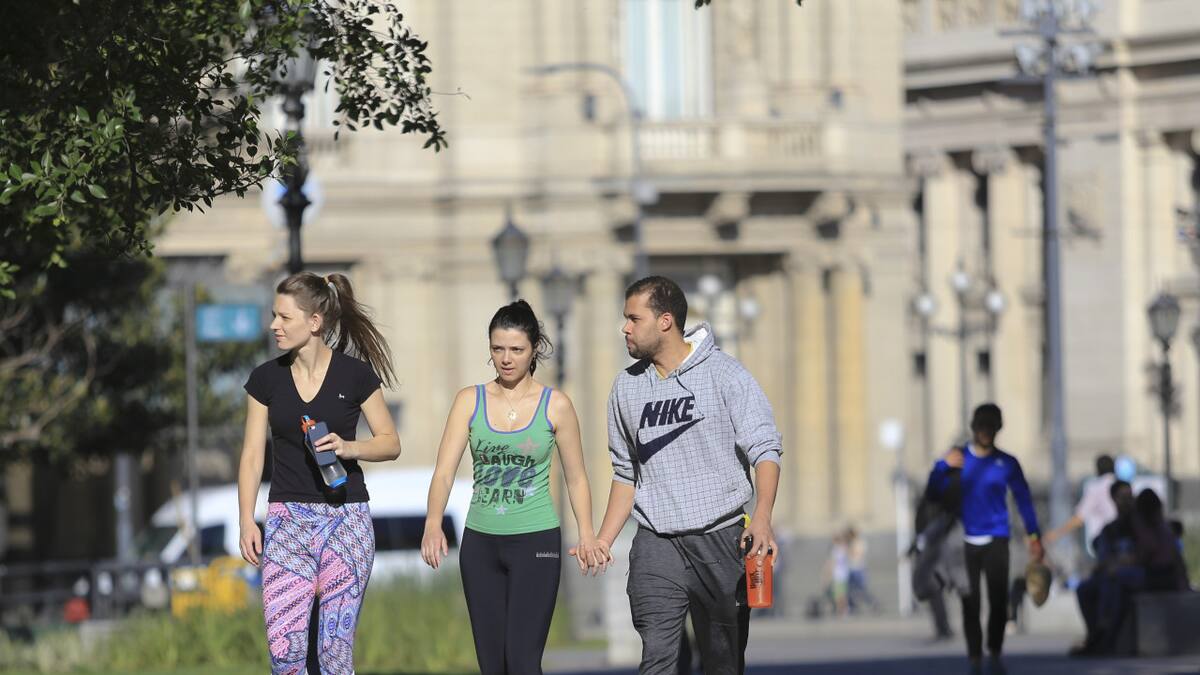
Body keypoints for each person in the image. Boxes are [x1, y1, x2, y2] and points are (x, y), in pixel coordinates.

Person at [588, 276, 784, 675]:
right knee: (658, 657)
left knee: (722, 663)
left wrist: (762, 517)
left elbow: (765, 449)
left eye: (633, 318)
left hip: (721, 536)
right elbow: (626, 472)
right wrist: (603, 539)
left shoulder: (726, 374)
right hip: (657, 542)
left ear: (664, 321)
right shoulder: (626, 388)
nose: (625, 327)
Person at [420, 300, 609, 675]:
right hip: (480, 543)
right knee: (493, 665)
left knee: (522, 661)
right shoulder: (468, 401)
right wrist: (432, 523)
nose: (506, 359)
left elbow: (576, 477)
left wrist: (587, 533)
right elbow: (443, 472)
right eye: (497, 349)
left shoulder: (556, 406)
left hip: (535, 541)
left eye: (516, 350)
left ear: (534, 348)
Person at [237, 272, 402, 675]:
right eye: (274, 316)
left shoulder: (356, 376)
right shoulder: (265, 379)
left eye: (284, 318)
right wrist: (246, 520)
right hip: (286, 523)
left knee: (333, 653)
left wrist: (350, 448)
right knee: (285, 652)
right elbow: (252, 455)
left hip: (346, 523)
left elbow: (390, 441)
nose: (274, 325)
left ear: (314, 322)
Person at [927, 403, 1043, 675]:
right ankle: (974, 658)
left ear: (997, 429)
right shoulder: (959, 460)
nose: (986, 432)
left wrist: (1034, 534)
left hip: (997, 538)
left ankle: (995, 652)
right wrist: (941, 466)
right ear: (974, 428)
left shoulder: (1007, 463)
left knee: (998, 600)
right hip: (964, 540)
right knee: (971, 603)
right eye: (981, 427)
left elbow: (1023, 499)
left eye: (991, 427)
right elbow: (933, 494)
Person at [1072, 480, 1137, 656]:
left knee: (1113, 583)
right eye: (1123, 497)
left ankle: (1106, 637)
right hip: (1112, 573)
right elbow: (1103, 557)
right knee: (1084, 589)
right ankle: (1095, 633)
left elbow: (1146, 553)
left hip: (1133, 574)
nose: (1128, 501)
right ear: (1114, 499)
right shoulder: (1110, 529)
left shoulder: (1139, 525)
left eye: (1130, 496)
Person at [1043, 454, 1117, 556]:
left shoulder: (1095, 488)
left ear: (1097, 469)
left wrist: (1055, 534)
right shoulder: (1123, 485)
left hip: (1105, 543)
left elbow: (1079, 519)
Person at [845, 526, 880, 614]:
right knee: (849, 589)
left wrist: (850, 550)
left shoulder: (859, 542)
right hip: (851, 568)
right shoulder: (850, 543)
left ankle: (873, 603)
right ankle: (851, 606)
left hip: (859, 568)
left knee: (862, 590)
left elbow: (858, 554)